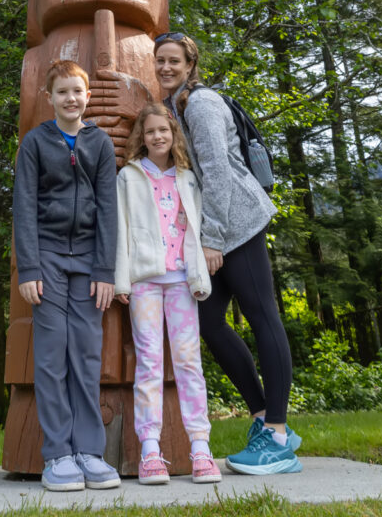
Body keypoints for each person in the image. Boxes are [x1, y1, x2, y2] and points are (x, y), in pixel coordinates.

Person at [153, 33, 303, 476]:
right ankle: (262, 416)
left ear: (190, 63)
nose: (165, 67)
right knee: (208, 321)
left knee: (262, 317)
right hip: (215, 228)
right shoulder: (177, 104)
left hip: (237, 223)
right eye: (159, 60)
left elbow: (217, 173)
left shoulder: (200, 104)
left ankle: (276, 435)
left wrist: (213, 238)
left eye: (173, 61)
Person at [13, 59, 121, 492]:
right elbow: (23, 206)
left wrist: (106, 268)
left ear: (88, 95)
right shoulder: (35, 143)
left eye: (78, 91)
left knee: (87, 354)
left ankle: (89, 452)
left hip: (90, 265)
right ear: (49, 98)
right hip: (49, 261)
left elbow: (109, 209)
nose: (71, 99)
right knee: (51, 356)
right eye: (62, 92)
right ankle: (58, 455)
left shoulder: (100, 144)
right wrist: (30, 267)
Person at [115, 103, 222, 485]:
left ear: (173, 134)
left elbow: (197, 229)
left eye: (164, 130)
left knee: (189, 361)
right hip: (145, 282)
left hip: (181, 281)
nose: (157, 136)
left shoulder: (187, 179)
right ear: (140, 139)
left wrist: (199, 272)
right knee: (149, 362)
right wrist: (121, 280)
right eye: (150, 132)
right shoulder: (128, 177)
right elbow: (121, 230)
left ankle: (200, 449)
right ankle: (150, 451)